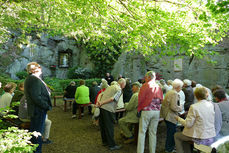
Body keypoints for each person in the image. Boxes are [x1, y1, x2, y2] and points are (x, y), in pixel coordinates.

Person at [174, 87, 216, 153]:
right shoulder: (211, 105)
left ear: (195, 96)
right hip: (210, 135)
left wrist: (178, 118)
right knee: (184, 137)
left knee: (177, 135)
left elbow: (188, 124)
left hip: (199, 136)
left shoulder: (194, 107)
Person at [24, 62, 52, 153]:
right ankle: (37, 151)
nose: (40, 68)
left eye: (39, 67)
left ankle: (34, 150)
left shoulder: (34, 79)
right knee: (37, 133)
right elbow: (36, 97)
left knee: (35, 132)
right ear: (32, 70)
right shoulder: (33, 79)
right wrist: (46, 106)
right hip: (38, 110)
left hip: (37, 109)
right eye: (38, 67)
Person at [137, 71, 163, 153]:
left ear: (148, 77)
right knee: (153, 132)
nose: (145, 78)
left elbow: (140, 99)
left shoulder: (145, 85)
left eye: (145, 77)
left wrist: (139, 108)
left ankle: (140, 151)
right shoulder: (158, 86)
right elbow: (161, 100)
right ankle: (152, 151)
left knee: (142, 132)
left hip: (147, 111)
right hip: (157, 112)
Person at [97, 78, 126, 151]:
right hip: (108, 109)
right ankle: (112, 145)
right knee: (109, 127)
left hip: (102, 108)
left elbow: (101, 95)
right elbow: (113, 98)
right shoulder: (118, 89)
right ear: (122, 84)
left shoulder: (110, 87)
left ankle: (105, 142)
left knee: (103, 126)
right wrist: (102, 103)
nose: (124, 87)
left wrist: (100, 103)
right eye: (124, 85)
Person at [160, 79, 183, 153]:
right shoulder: (174, 93)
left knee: (171, 132)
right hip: (170, 116)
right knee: (171, 133)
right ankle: (169, 149)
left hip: (167, 115)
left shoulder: (170, 92)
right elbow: (174, 107)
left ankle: (170, 147)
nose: (181, 88)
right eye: (181, 87)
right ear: (178, 86)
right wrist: (181, 108)